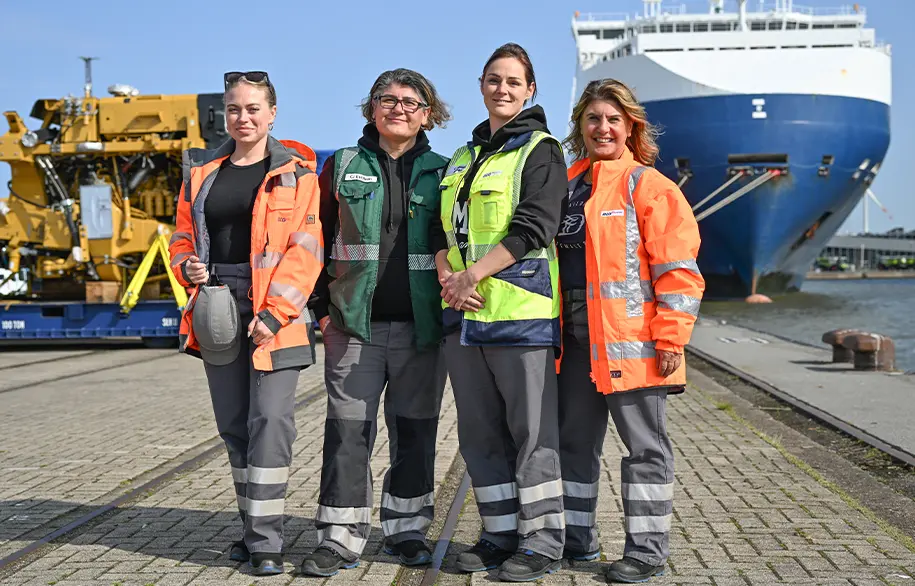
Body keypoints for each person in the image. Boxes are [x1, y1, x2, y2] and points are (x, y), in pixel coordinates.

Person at [168, 71, 322, 576]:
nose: (244, 117)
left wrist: (274, 314)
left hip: (275, 313)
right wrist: (187, 265)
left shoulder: (297, 173)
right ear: (225, 115)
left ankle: (267, 541)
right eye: (235, 109)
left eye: (254, 108)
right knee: (234, 426)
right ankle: (250, 526)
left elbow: (306, 248)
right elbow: (182, 238)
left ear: (272, 113)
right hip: (215, 308)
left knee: (271, 424)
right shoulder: (201, 173)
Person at [300, 68, 452, 577]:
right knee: (347, 433)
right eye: (387, 99)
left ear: (427, 114)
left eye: (411, 102)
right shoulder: (341, 166)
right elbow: (311, 239)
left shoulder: (445, 171)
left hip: (422, 330)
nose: (398, 109)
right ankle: (339, 537)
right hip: (352, 327)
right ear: (371, 109)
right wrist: (322, 310)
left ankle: (406, 530)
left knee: (414, 433)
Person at [557, 78, 705, 583]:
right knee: (573, 445)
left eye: (613, 119)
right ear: (580, 125)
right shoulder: (565, 183)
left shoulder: (650, 187)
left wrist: (671, 337)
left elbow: (679, 272)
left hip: (634, 345)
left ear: (631, 127)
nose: (603, 127)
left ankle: (646, 550)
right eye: (594, 118)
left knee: (645, 448)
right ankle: (577, 541)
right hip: (571, 346)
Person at [433, 43, 568, 583]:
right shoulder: (462, 158)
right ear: (481, 85)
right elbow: (438, 233)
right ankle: (499, 533)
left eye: (514, 81)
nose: (503, 89)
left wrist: (471, 275)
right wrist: (449, 276)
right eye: (494, 80)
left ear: (530, 89)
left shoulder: (542, 150)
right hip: (465, 319)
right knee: (479, 434)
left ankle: (542, 542)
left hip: (521, 314)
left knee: (533, 434)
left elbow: (535, 226)